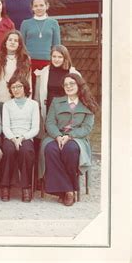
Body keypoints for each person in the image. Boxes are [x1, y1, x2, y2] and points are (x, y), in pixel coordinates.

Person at [39, 73, 98, 206]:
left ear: (78, 85)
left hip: (77, 138)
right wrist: (58, 136)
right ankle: (69, 190)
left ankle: (65, 190)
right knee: (50, 149)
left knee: (71, 150)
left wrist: (70, 136)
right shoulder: (56, 102)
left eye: (72, 83)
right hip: (55, 136)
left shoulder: (88, 104)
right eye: (66, 84)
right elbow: (50, 123)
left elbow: (86, 128)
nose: (68, 86)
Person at [0, 76, 39, 202]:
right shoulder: (7, 105)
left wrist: (22, 137)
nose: (16, 90)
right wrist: (13, 138)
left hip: (27, 136)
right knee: (8, 151)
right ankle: (5, 186)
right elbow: (5, 126)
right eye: (13, 87)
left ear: (25, 88)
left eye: (19, 86)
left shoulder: (33, 104)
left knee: (26, 151)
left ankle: (25, 187)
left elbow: (35, 128)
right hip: (10, 137)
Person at [20, 0, 61, 92]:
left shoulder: (53, 23)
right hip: (29, 62)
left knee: (45, 90)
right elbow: (21, 46)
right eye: (36, 6)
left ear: (47, 6)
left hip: (47, 62)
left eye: (41, 5)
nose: (39, 8)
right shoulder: (25, 23)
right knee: (30, 89)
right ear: (32, 8)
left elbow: (57, 46)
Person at [34, 45, 81, 128]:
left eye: (60, 57)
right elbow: (37, 97)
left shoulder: (73, 73)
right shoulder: (43, 73)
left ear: (65, 58)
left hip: (66, 109)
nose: (56, 59)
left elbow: (80, 95)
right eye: (54, 56)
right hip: (48, 108)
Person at [0, 30, 31, 106]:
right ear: (5, 42)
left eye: (16, 41)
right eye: (10, 40)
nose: (12, 42)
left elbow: (28, 81)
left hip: (18, 101)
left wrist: (28, 101)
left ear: (19, 44)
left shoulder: (26, 59)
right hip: (0, 100)